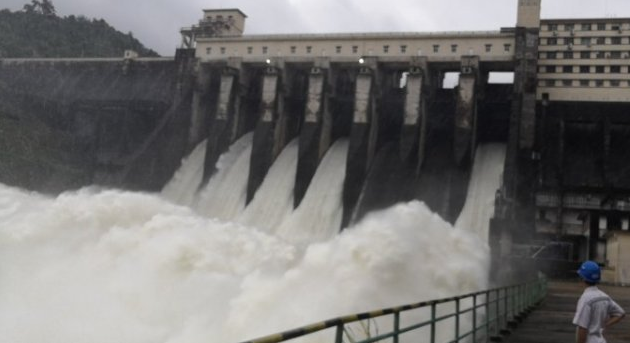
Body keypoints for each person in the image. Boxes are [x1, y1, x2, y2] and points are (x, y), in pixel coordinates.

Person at [573, 261, 625, 343]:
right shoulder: (604, 296)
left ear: (582, 278)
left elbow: (582, 328)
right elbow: (621, 313)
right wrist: (604, 325)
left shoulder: (585, 299)